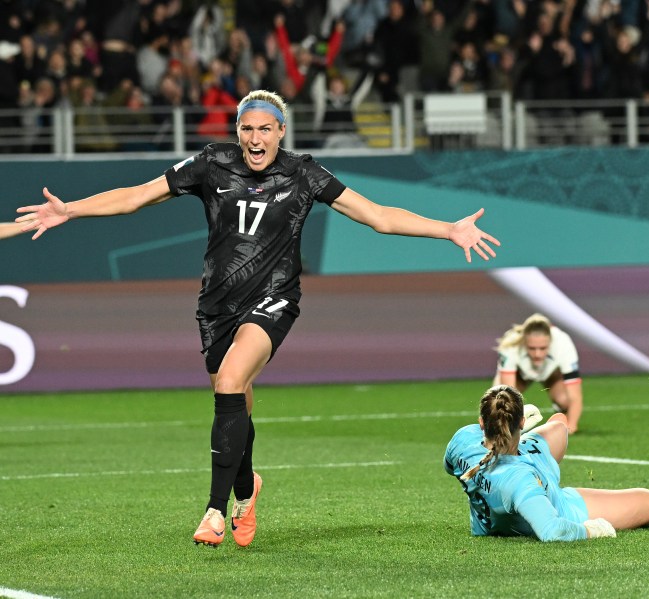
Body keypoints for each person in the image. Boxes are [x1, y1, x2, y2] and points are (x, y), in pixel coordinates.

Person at [16, 89, 501, 548]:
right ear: (237, 130)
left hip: (273, 300)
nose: (254, 139)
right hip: (216, 305)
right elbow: (139, 195)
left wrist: (447, 230)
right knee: (235, 400)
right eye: (247, 128)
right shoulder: (211, 162)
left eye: (265, 129)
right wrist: (71, 211)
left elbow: (377, 215)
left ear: (282, 131)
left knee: (230, 382)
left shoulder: (304, 174)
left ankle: (213, 510)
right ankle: (247, 488)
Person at [444, 384, 649, 541]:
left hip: (518, 461)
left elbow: (450, 466)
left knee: (559, 424)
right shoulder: (521, 482)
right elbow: (553, 530)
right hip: (555, 502)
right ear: (520, 423)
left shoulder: (463, 438)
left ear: (482, 423)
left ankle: (519, 438)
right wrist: (594, 529)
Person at [494, 313, 585, 433]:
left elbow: (575, 396)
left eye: (543, 348)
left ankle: (560, 412)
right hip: (520, 374)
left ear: (550, 342)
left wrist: (571, 427)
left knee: (565, 400)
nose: (537, 354)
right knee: (499, 402)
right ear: (524, 342)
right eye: (532, 348)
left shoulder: (563, 344)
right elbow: (508, 392)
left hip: (551, 374)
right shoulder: (511, 344)